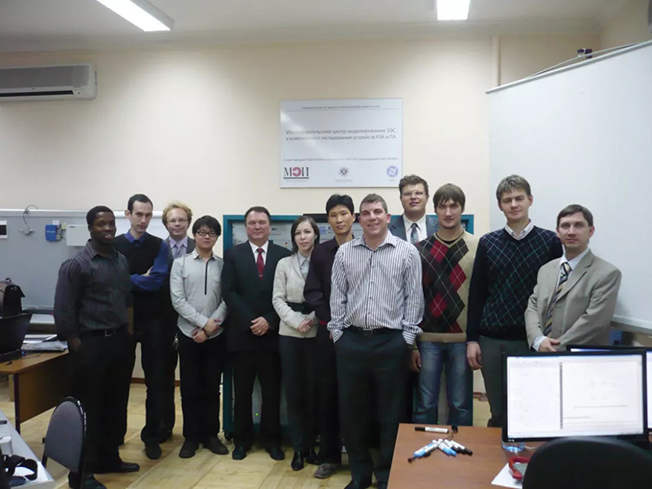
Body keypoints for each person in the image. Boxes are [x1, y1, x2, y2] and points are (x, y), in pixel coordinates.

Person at [329, 194, 424, 489]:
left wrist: (406, 339)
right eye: (366, 213)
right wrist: (339, 335)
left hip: (391, 343)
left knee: (391, 413)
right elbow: (337, 296)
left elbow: (414, 298)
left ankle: (386, 475)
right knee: (352, 413)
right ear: (359, 219)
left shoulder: (407, 252)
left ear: (387, 216)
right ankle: (360, 474)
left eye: (378, 212)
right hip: (352, 342)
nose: (372, 217)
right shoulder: (345, 253)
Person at [466, 175, 562, 427]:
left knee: (530, 410)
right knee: (498, 413)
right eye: (507, 200)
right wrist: (472, 339)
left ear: (530, 200)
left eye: (519, 198)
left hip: (532, 340)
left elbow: (556, 294)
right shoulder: (488, 243)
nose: (514, 204)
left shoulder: (550, 242)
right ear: (500, 205)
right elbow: (477, 294)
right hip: (492, 340)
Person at [54, 206, 139, 489]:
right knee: (88, 409)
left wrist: (128, 335)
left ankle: (108, 458)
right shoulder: (77, 264)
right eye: (101, 224)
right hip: (90, 345)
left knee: (115, 405)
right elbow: (64, 308)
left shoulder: (120, 260)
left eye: (111, 223)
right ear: (90, 228)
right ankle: (82, 473)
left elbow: (127, 298)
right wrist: (76, 343)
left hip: (118, 342)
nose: (108, 228)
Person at [222, 206, 291, 461]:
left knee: (272, 393)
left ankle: (271, 440)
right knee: (242, 393)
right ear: (245, 227)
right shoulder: (233, 254)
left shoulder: (283, 255)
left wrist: (269, 321)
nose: (257, 226)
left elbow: (287, 294)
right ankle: (242, 440)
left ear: (270, 226)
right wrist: (252, 321)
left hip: (272, 336)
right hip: (242, 336)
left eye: (262, 222)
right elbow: (229, 292)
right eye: (252, 223)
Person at [113, 194, 174, 460]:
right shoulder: (114, 245)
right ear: (128, 214)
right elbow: (110, 281)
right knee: (118, 381)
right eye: (139, 214)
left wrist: (126, 280)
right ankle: (115, 434)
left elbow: (157, 280)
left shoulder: (159, 246)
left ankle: (152, 436)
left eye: (148, 215)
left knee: (156, 381)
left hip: (154, 320)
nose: (144, 220)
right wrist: (138, 279)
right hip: (122, 320)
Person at [412, 184, 478, 426]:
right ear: (435, 210)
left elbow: (480, 296)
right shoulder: (420, 250)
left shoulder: (478, 247)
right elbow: (413, 298)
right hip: (427, 340)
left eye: (454, 206)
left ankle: (461, 450)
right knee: (425, 404)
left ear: (462, 209)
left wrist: (475, 340)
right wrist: (412, 345)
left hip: (463, 341)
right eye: (443, 206)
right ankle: (421, 449)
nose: (448, 212)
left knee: (460, 405)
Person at [303, 194, 355, 479]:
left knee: (357, 396)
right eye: (333, 215)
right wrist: (333, 320)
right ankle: (330, 456)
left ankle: (359, 456)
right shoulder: (321, 252)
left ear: (353, 217)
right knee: (327, 394)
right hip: (328, 334)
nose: (339, 219)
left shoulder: (365, 248)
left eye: (343, 213)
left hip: (360, 334)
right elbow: (312, 292)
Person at [170, 215, 229, 459]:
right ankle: (191, 437)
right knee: (190, 388)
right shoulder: (180, 264)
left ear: (217, 237)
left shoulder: (223, 265)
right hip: (188, 334)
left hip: (216, 335)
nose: (207, 236)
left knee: (212, 387)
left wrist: (210, 326)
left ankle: (211, 435)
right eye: (202, 232)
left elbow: (227, 298)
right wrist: (202, 324)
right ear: (194, 235)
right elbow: (177, 300)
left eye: (212, 233)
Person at [525, 205, 621, 351]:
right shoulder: (546, 270)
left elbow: (594, 322)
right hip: (542, 353)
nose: (571, 232)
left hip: (580, 358)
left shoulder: (607, 274)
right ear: (558, 232)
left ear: (591, 231)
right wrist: (538, 340)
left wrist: (554, 348)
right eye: (565, 226)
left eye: (578, 225)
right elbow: (532, 306)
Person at [272, 216, 320, 471]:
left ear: (315, 235)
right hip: (289, 333)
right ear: (293, 238)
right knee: (294, 392)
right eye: (298, 233)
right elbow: (277, 299)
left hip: (315, 332)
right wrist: (295, 321)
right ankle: (299, 448)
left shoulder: (322, 262)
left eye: (307, 232)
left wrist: (311, 319)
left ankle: (312, 445)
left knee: (313, 392)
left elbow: (328, 297)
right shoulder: (283, 264)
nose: (303, 237)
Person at [388, 175, 438, 244]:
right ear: (401, 198)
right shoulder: (387, 229)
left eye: (418, 193)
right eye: (408, 194)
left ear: (427, 197)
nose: (413, 197)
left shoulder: (441, 228)